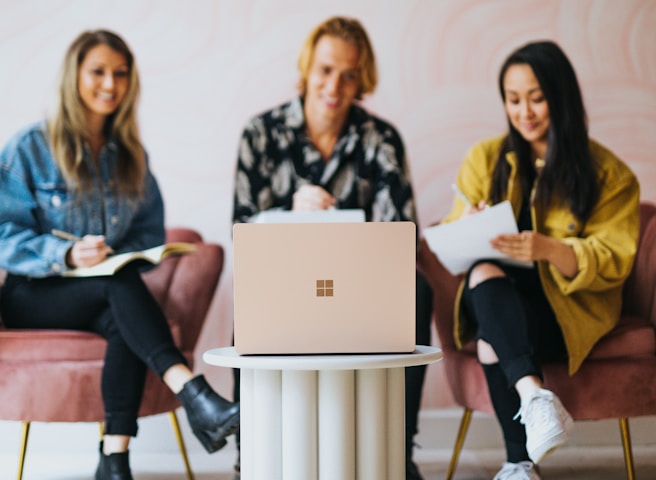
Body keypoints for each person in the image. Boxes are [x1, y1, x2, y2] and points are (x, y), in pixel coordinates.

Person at [0, 30, 240, 480]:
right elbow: (2, 234)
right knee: (119, 287)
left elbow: (147, 234)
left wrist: (118, 254)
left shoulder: (132, 156)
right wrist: (67, 255)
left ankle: (114, 462)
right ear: (74, 76)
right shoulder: (29, 147)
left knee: (122, 313)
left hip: (103, 293)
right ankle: (194, 395)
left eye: (121, 74)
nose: (110, 84)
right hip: (32, 295)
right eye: (98, 72)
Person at [231, 16, 433, 480]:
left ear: (362, 79)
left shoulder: (381, 140)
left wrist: (351, 238)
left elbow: (402, 232)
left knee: (418, 291)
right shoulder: (260, 134)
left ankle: (398, 449)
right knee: (250, 301)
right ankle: (249, 452)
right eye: (325, 70)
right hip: (281, 283)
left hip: (360, 287)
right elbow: (241, 227)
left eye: (348, 75)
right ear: (307, 67)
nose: (334, 86)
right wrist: (286, 211)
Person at [443, 40, 640, 480]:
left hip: (567, 316)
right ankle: (535, 397)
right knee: (484, 275)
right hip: (499, 302)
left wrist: (550, 249)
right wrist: (469, 225)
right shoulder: (484, 159)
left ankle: (518, 463)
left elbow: (614, 259)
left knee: (492, 342)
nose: (524, 112)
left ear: (561, 97)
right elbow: (454, 246)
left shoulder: (609, 174)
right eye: (513, 100)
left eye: (536, 98)